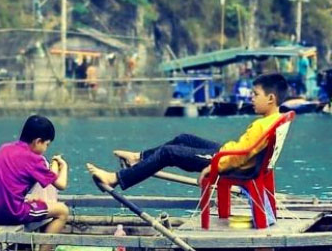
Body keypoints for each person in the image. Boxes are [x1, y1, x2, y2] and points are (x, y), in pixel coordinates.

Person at [87, 73, 288, 191]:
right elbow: (244, 151)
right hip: (231, 155)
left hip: (230, 161)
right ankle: (139, 158)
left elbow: (242, 156)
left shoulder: (262, 125)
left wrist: (214, 167)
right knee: (184, 138)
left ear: (270, 98)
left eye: (255, 95)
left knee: (169, 153)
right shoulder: (277, 118)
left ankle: (116, 178)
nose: (251, 98)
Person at [0, 115, 69, 251]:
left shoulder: (5, 148)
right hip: (10, 213)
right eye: (47, 144)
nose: (46, 148)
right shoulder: (35, 159)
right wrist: (63, 165)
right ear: (38, 141)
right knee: (63, 211)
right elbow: (61, 184)